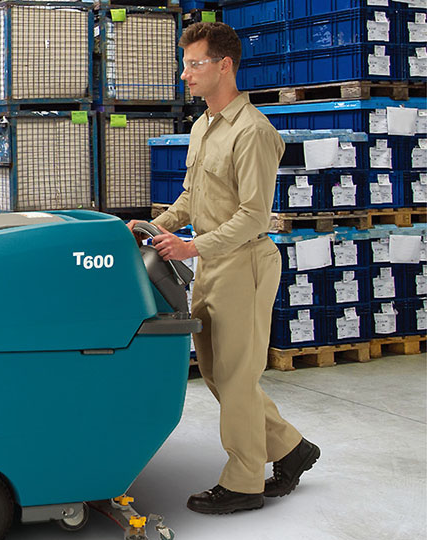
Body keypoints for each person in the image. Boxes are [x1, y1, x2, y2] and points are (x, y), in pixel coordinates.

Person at [128, 22, 319, 514]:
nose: (185, 74)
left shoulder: (253, 132)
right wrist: (151, 226)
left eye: (195, 64)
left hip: (245, 265)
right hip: (212, 263)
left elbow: (254, 215)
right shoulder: (203, 126)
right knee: (217, 373)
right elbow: (191, 198)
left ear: (225, 65)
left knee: (236, 378)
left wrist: (192, 247)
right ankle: (291, 448)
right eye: (185, 64)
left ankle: (244, 483)